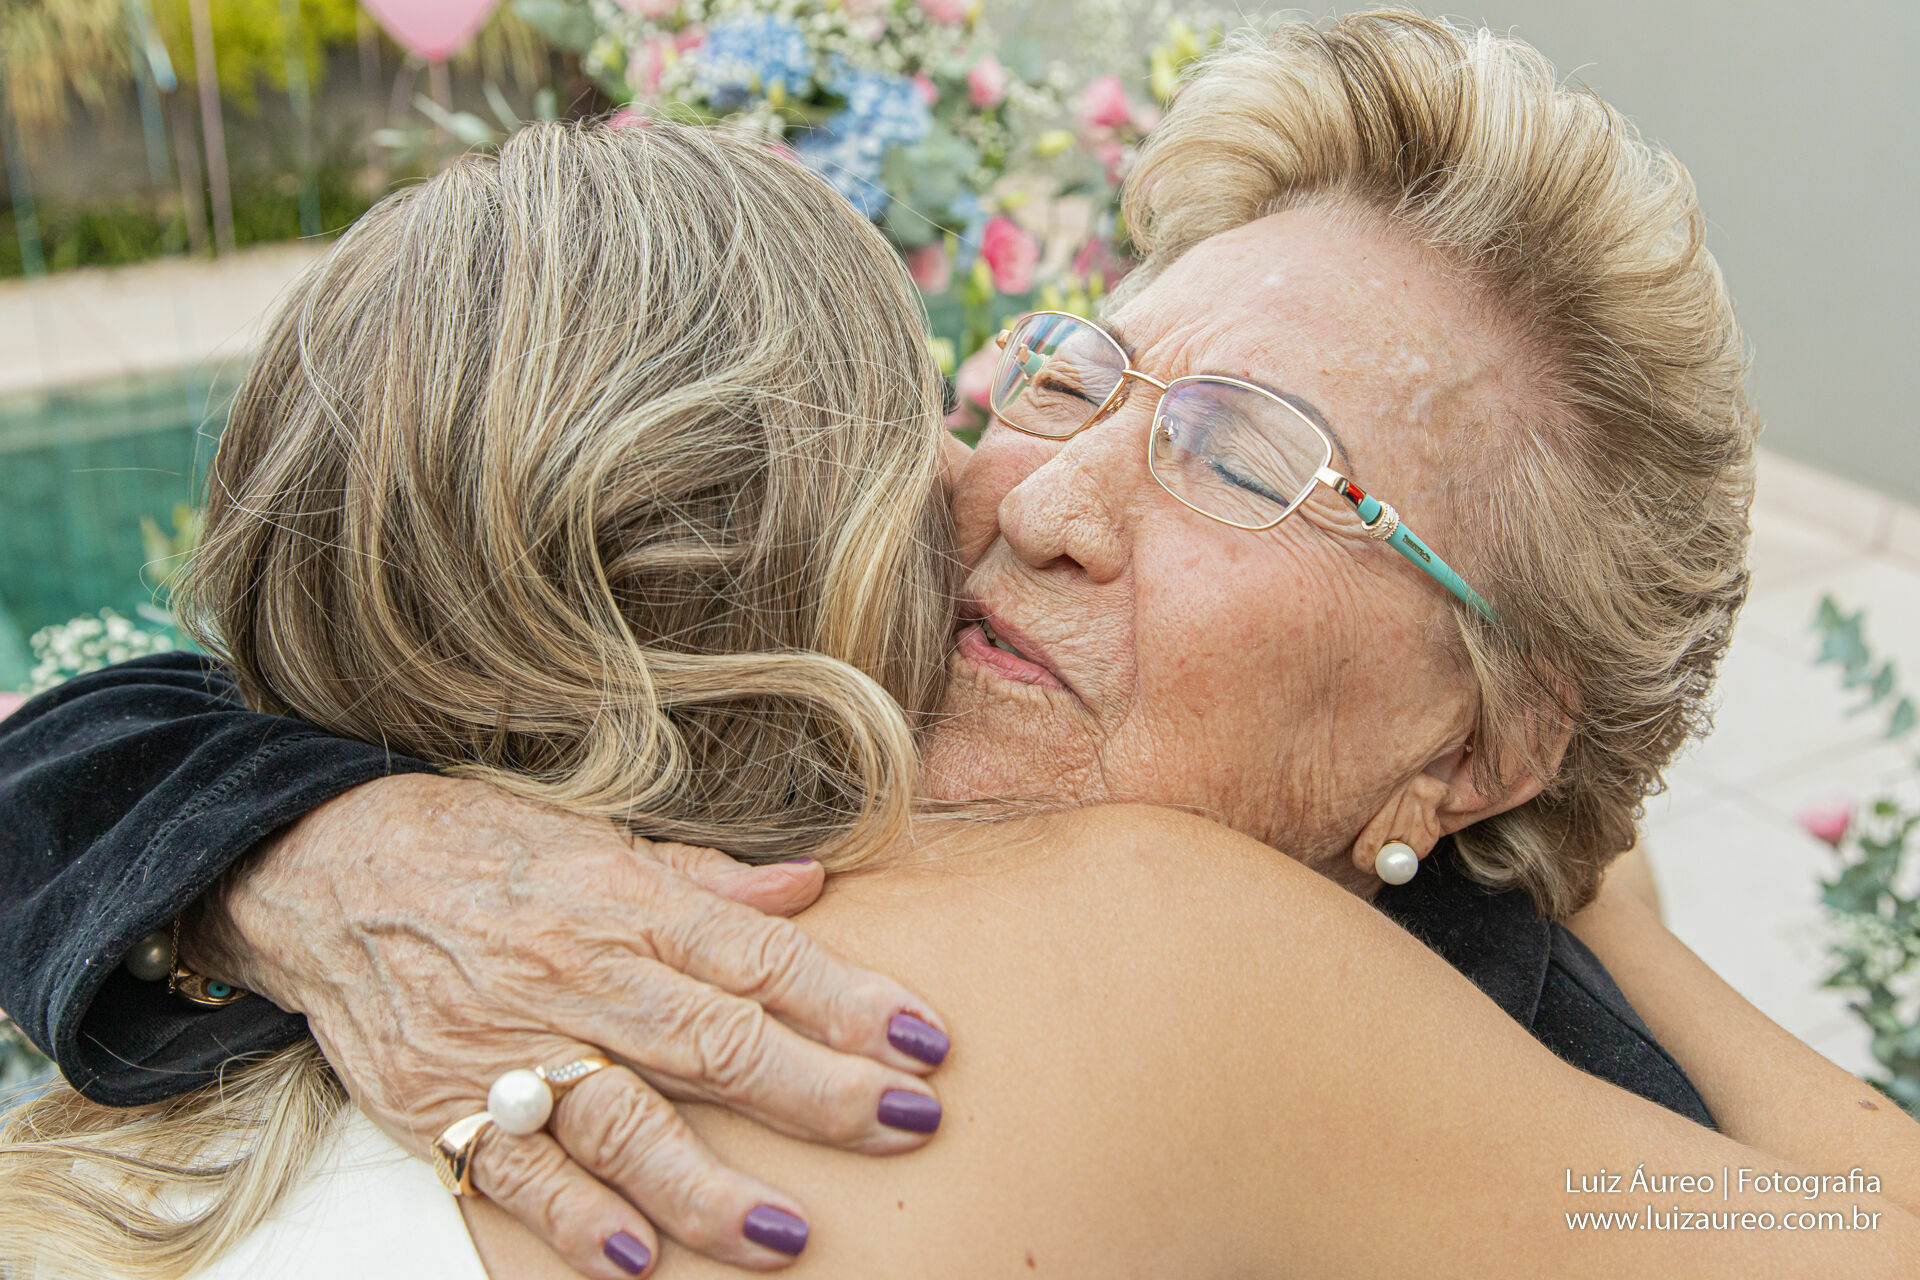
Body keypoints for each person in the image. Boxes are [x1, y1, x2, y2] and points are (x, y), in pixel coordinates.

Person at [0, 7, 1792, 1273]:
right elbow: (112, 737)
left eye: (1246, 458)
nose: (1039, 501)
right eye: (1078, 370)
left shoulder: (1518, 1081)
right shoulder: (679, 774)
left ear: (1476, 752)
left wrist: (1630, 952)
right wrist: (311, 853)